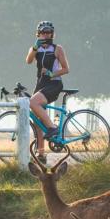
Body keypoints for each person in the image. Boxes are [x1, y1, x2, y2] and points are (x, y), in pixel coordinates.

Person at [25, 20, 70, 160]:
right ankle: (41, 154)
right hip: (40, 84)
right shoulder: (35, 48)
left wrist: (52, 73)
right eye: (43, 32)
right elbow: (28, 61)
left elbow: (66, 69)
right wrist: (34, 47)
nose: (46, 35)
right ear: (38, 34)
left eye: (48, 32)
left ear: (52, 34)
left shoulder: (58, 49)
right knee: (38, 121)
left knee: (32, 103)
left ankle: (52, 127)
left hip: (54, 83)